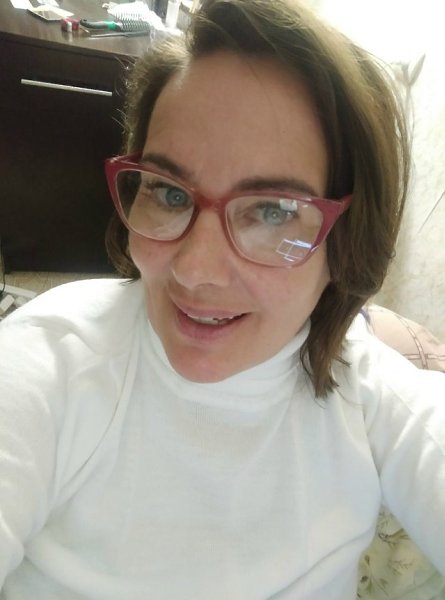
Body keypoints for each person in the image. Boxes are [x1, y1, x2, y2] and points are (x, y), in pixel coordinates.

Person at [0, 0, 444, 598]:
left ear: (346, 238)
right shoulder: (50, 360)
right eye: (169, 193)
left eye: (273, 211)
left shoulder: (370, 392)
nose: (195, 270)